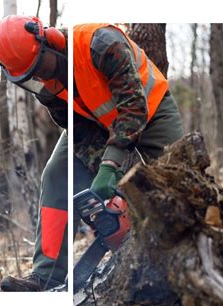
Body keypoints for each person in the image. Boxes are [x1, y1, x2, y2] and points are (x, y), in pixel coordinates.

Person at [72, 23, 184, 233]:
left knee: (181, 177)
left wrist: (109, 165)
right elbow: (81, 135)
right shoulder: (44, 81)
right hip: (109, 129)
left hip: (153, 108)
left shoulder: (101, 42)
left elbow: (133, 106)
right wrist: (106, 176)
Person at [0, 15, 68, 291]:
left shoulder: (90, 47)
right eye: (30, 75)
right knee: (56, 174)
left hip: (143, 111)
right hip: (87, 122)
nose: (39, 77)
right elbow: (67, 120)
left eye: (40, 67)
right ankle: (47, 275)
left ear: (50, 43)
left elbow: (130, 104)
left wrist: (110, 163)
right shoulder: (38, 78)